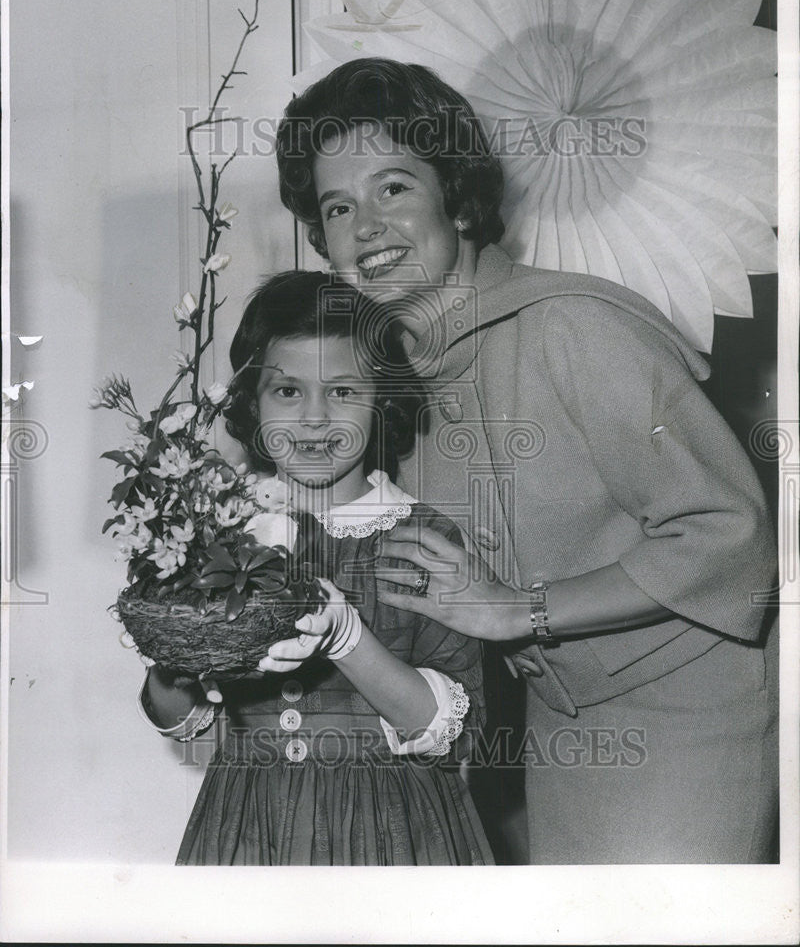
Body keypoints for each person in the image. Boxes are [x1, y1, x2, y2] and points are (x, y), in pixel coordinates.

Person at [275, 58, 778, 864]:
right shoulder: (385, 380)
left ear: (456, 196)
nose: (366, 226)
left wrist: (520, 611)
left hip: (688, 713)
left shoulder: (579, 327)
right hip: (544, 727)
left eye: (394, 187)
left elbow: (733, 538)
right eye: (339, 206)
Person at [139, 270, 492, 866]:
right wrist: (168, 653)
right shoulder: (220, 528)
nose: (314, 419)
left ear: (382, 397)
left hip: (390, 834)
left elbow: (457, 733)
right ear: (251, 400)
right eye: (288, 392)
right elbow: (182, 716)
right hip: (252, 829)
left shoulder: (424, 537)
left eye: (344, 391)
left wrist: (348, 636)